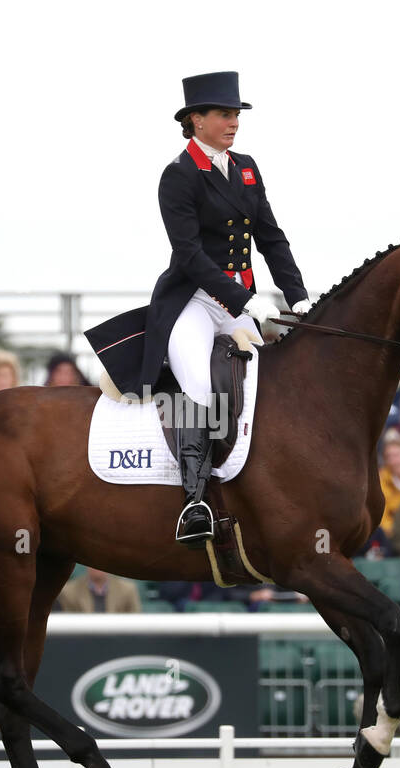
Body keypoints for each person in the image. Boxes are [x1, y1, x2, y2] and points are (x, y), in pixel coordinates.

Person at [84, 71, 311, 546]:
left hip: (234, 301)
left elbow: (270, 237)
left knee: (266, 382)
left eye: (235, 115)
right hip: (192, 301)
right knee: (200, 387)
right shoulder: (179, 175)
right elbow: (189, 254)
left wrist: (299, 297)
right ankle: (195, 500)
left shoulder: (246, 167)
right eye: (225, 115)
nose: (233, 123)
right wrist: (245, 299)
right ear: (196, 120)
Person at [55, 567, 142, 613]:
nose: (97, 566)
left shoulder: (127, 590)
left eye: (100, 562)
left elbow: (136, 623)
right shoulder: (68, 592)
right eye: (92, 562)